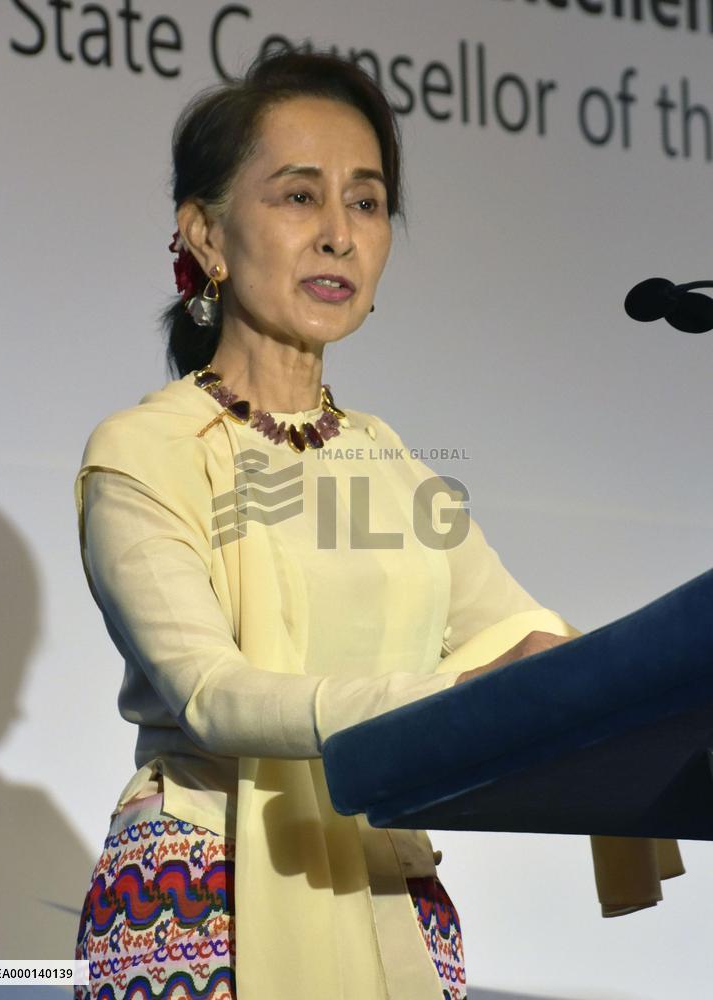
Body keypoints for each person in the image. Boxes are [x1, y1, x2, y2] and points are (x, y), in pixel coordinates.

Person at [71, 49, 677, 1000]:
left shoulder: (387, 462)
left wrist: (653, 686)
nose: (340, 236)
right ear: (208, 235)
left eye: (365, 201)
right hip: (201, 896)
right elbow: (214, 697)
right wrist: (454, 696)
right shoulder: (143, 451)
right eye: (299, 197)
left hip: (388, 891)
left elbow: (525, 636)